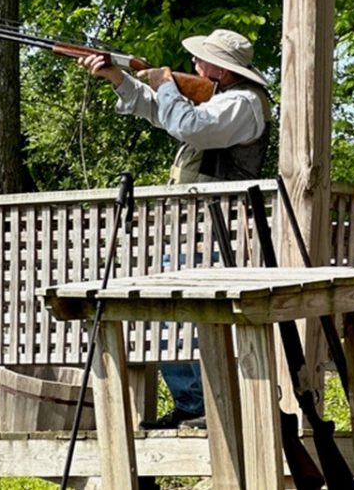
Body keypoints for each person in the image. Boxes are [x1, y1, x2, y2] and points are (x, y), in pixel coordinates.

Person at [78, 28, 273, 430]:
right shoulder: (221, 99)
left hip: (219, 226)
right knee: (168, 314)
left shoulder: (243, 103)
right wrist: (117, 76)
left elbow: (188, 125)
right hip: (192, 226)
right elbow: (159, 111)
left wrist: (166, 83)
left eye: (201, 61)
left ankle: (210, 403)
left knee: (191, 313)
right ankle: (192, 403)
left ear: (220, 69)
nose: (194, 66)